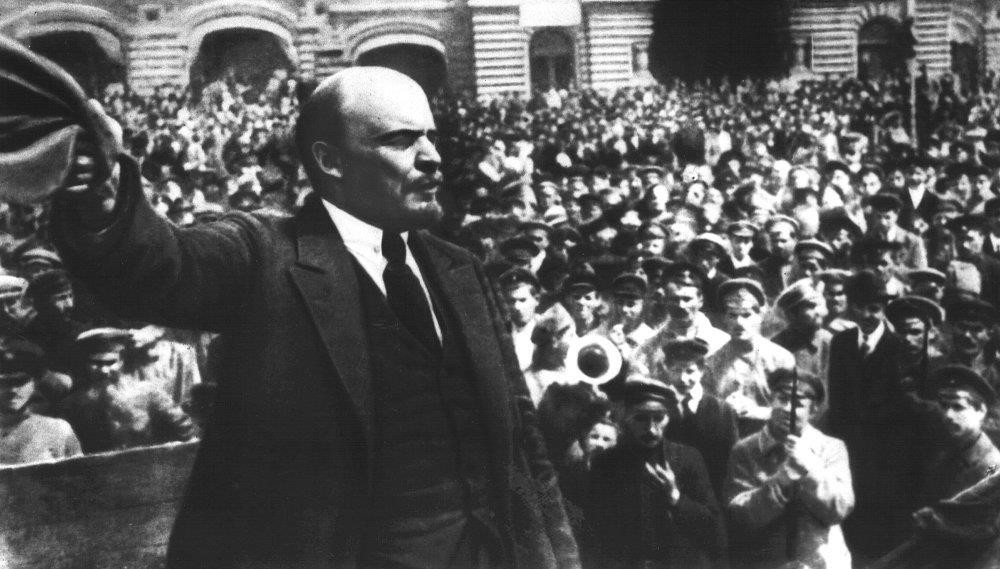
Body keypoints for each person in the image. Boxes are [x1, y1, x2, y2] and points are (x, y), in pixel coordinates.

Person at [56, 68, 579, 568]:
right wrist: (106, 203)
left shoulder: (459, 269)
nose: (432, 159)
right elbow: (162, 269)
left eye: (431, 138)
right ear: (330, 161)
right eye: (401, 140)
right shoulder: (264, 254)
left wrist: (562, 557)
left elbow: (524, 438)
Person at [585, 379, 726, 569]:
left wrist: (676, 497)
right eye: (641, 418)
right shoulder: (606, 463)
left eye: (659, 418)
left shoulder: (688, 459)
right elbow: (594, 535)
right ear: (626, 417)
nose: (651, 429)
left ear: (668, 417)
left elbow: (716, 533)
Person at [825, 269, 917, 562]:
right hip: (847, 450)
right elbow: (837, 400)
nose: (866, 314)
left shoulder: (898, 348)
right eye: (859, 307)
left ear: (884, 307)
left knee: (879, 531)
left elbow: (901, 409)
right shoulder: (841, 343)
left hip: (884, 455)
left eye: (874, 308)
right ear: (850, 306)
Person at [726, 370, 854, 569]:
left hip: (821, 562)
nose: (787, 408)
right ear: (770, 400)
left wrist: (809, 469)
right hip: (764, 562)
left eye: (798, 404)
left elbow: (839, 509)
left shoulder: (831, 448)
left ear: (814, 410)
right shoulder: (746, 449)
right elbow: (740, 517)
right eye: (782, 399)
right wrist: (782, 478)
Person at [58, 328, 196, 453]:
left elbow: (185, 433)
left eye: (111, 362)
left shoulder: (150, 393)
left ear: (122, 361)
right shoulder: (73, 404)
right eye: (96, 363)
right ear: (86, 363)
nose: (104, 370)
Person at [704, 278, 795, 436]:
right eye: (732, 315)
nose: (739, 322)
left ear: (760, 315)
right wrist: (724, 409)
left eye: (746, 315)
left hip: (769, 440)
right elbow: (705, 411)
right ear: (724, 318)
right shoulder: (712, 361)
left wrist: (754, 411)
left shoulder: (781, 359)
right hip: (726, 441)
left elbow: (792, 411)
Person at [655, 337, 738, 501]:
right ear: (666, 369)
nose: (683, 378)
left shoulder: (723, 410)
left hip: (711, 497)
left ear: (702, 371)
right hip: (664, 494)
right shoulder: (658, 408)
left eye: (690, 371)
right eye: (676, 370)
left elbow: (731, 461)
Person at [918, 365, 1000, 507]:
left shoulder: (993, 467)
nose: (948, 415)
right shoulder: (940, 448)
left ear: (981, 411)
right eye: (944, 406)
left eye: (958, 407)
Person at [0, 337, 82, 465]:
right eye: (4, 383)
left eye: (21, 382)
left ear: (35, 384)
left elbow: (80, 476)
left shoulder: (56, 430)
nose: (13, 390)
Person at [771, 280, 832, 405]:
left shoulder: (829, 342)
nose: (819, 312)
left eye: (819, 305)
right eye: (811, 307)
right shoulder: (776, 345)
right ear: (791, 314)